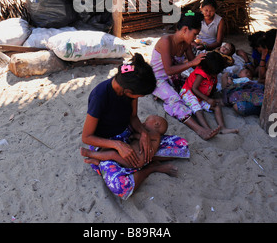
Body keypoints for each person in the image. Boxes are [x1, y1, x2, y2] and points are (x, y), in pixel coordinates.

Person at [81, 53, 190, 200]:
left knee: (181, 145)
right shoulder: (100, 96)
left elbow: (133, 117)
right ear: (128, 92)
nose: (140, 98)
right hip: (106, 145)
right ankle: (150, 168)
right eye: (140, 96)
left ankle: (133, 164)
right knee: (122, 187)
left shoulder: (128, 89)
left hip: (129, 136)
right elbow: (86, 137)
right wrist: (118, 145)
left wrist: (144, 134)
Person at [151, 10, 221, 140]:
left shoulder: (186, 44)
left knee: (190, 90)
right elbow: (169, 70)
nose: (195, 38)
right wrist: (192, 62)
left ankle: (163, 95)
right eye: (194, 34)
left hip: (174, 78)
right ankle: (200, 130)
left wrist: (210, 60)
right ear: (184, 30)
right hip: (158, 79)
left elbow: (195, 65)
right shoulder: (166, 41)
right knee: (175, 99)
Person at [179, 51, 239, 134]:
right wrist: (207, 99)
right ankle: (207, 129)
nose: (215, 75)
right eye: (214, 73)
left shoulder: (213, 75)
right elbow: (194, 89)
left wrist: (212, 99)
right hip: (188, 93)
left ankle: (222, 128)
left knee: (217, 106)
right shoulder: (201, 74)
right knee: (198, 109)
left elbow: (212, 88)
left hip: (201, 96)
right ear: (208, 70)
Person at [81, 115, 168, 168]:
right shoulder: (152, 133)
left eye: (147, 121)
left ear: (156, 124)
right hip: (133, 157)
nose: (144, 123)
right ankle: (99, 162)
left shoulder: (155, 135)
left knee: (113, 154)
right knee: (114, 154)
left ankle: (91, 154)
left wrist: (134, 135)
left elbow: (142, 136)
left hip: (135, 161)